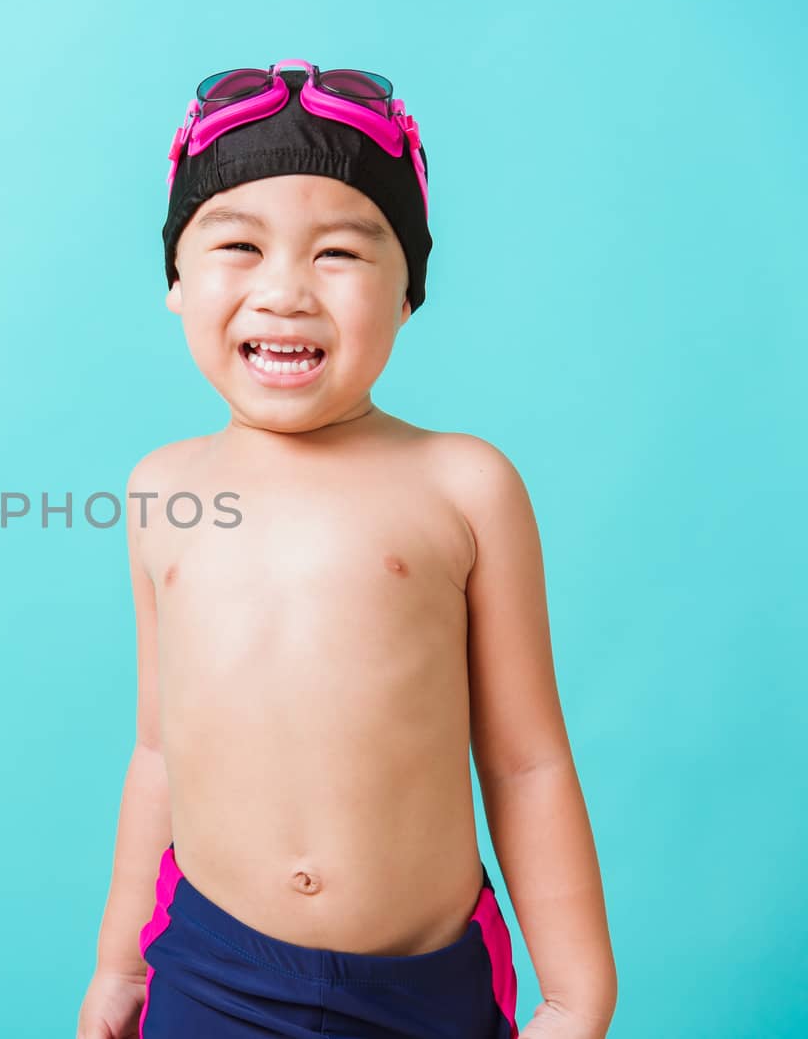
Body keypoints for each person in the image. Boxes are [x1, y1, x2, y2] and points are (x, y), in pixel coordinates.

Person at [76, 60, 617, 1039]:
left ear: (408, 288)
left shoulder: (462, 485)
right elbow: (159, 749)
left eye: (339, 253)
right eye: (237, 244)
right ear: (175, 281)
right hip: (212, 970)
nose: (284, 290)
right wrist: (119, 964)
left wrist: (576, 995)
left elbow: (526, 761)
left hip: (423, 987)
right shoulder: (161, 490)